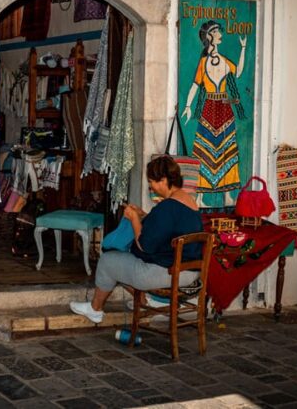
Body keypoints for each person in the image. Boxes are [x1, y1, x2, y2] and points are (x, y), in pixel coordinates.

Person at [69, 156, 203, 323]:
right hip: (189, 273)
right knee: (123, 261)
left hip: (170, 274)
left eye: (151, 182)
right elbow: (166, 229)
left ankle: (95, 309)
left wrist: (133, 219)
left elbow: (145, 245)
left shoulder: (167, 206)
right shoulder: (188, 202)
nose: (151, 187)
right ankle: (143, 301)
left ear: (163, 180)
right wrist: (142, 215)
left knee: (108, 261)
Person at [181, 20, 247, 206]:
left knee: (228, 152)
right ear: (209, 36)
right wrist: (188, 106)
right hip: (208, 110)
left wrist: (243, 49)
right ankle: (200, 198)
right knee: (204, 152)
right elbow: (195, 85)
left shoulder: (224, 61)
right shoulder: (203, 63)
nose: (220, 35)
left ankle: (227, 196)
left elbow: (238, 72)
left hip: (225, 109)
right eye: (217, 32)